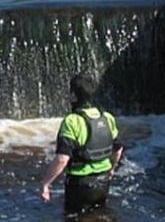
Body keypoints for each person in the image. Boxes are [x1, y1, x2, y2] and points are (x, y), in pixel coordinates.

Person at [41, 73, 124, 211]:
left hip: (79, 185)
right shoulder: (107, 118)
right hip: (103, 183)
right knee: (99, 220)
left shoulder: (72, 121)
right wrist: (111, 169)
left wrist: (45, 183)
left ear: (73, 95)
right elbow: (118, 149)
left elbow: (62, 159)